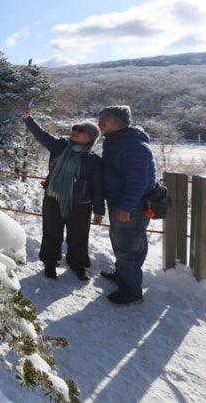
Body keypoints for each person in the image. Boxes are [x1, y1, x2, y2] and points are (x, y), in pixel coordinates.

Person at [23, 107, 104, 281]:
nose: (75, 132)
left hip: (81, 204)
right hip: (54, 198)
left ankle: (78, 265)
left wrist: (99, 210)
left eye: (81, 130)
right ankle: (50, 263)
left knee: (79, 236)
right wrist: (28, 118)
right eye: (74, 128)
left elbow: (98, 186)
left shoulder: (93, 160)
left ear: (90, 137)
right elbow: (41, 135)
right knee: (52, 232)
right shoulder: (60, 146)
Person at [97, 105, 157, 306]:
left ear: (120, 121)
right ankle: (123, 276)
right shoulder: (117, 140)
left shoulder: (133, 145)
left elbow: (138, 181)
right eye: (100, 117)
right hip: (121, 201)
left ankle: (132, 292)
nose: (101, 121)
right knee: (122, 242)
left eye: (107, 118)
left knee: (129, 246)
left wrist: (126, 207)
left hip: (132, 205)